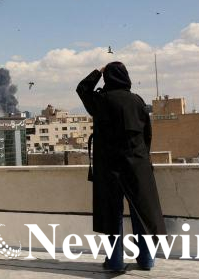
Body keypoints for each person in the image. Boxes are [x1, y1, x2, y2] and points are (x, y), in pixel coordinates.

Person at [76, 62, 166, 272]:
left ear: (108, 78)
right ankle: (146, 259)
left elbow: (82, 88)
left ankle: (115, 261)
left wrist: (98, 72)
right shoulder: (137, 101)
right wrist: (142, 160)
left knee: (112, 215)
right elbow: (147, 135)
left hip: (109, 167)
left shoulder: (101, 100)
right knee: (141, 213)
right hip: (137, 165)